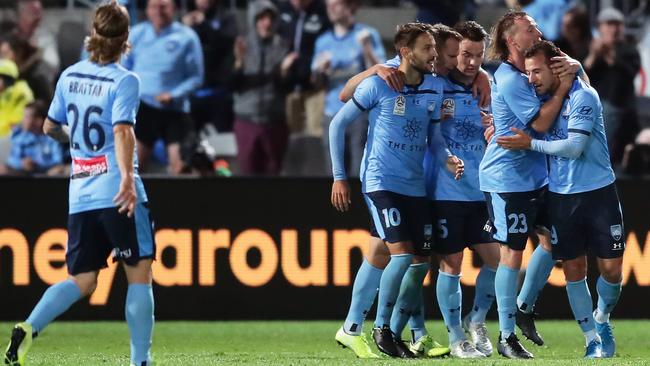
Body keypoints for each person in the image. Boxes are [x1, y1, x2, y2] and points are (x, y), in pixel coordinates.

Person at [3, 3, 155, 366]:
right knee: (140, 275)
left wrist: (78, 143)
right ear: (125, 39)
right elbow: (122, 131)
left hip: (81, 193)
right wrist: (128, 182)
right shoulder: (125, 80)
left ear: (93, 33)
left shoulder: (69, 76)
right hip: (116, 190)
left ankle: (28, 327)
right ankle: (140, 360)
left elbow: (50, 127)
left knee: (83, 279)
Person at [330, 22, 463, 359]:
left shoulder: (435, 88)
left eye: (435, 48)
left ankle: (353, 329)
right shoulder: (382, 81)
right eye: (427, 49)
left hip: (414, 186)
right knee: (402, 256)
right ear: (406, 52)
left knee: (405, 261)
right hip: (380, 180)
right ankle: (383, 329)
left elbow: (433, 138)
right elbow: (337, 122)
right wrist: (339, 176)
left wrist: (447, 158)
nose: (434, 55)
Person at [497, 40, 625, 359]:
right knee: (573, 269)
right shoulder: (542, 103)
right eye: (527, 73)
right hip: (561, 197)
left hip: (598, 194)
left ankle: (602, 317)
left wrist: (531, 145)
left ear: (556, 68)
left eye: (537, 71)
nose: (531, 79)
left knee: (611, 270)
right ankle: (592, 338)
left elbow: (574, 147)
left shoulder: (584, 96)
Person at [480, 10, 584, 358]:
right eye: (530, 28)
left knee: (553, 242)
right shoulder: (510, 78)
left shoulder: (530, 70)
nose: (538, 31)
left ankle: (523, 308)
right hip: (506, 179)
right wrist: (566, 84)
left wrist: (574, 70)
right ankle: (506, 336)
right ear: (512, 40)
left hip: (536, 177)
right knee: (512, 254)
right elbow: (539, 123)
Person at [429, 20, 499, 358]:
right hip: (448, 192)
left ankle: (477, 320)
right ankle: (456, 337)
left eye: (478, 56)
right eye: (465, 55)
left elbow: (507, 128)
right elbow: (432, 136)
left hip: (482, 191)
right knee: (451, 263)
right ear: (454, 53)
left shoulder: (489, 85)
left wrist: (496, 127)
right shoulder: (437, 85)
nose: (471, 63)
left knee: (499, 261)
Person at [122, 0, 204, 174]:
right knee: (132, 169)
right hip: (143, 108)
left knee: (181, 168)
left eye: (163, 6)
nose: (159, 11)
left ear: (173, 8)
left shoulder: (187, 37)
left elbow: (196, 77)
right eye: (154, 6)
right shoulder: (136, 34)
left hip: (175, 109)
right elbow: (123, 69)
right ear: (148, 10)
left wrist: (174, 95)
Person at [313, 0, 385, 177]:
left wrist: (367, 48)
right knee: (334, 174)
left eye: (336, 4)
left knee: (360, 172)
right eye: (328, 4)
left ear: (350, 7)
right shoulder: (323, 41)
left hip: (360, 113)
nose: (330, 8)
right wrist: (320, 70)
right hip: (332, 113)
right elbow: (314, 83)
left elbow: (383, 74)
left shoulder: (367, 35)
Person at [229, 0, 292, 175]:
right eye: (262, 18)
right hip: (247, 120)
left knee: (273, 175)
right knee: (248, 173)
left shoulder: (283, 46)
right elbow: (231, 85)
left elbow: (288, 87)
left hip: (274, 121)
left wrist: (285, 72)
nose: (267, 23)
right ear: (254, 20)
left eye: (270, 18)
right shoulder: (242, 45)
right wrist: (239, 63)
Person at [584, 7, 640, 165]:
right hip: (596, 107)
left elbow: (629, 73)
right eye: (609, 24)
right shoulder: (593, 48)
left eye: (617, 24)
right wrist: (594, 56)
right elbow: (582, 76)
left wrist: (611, 56)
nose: (613, 29)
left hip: (621, 106)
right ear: (600, 27)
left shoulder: (629, 48)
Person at [182, 0, 238, 132]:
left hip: (219, 91)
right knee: (190, 139)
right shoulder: (186, 20)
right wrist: (182, 28)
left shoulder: (226, 17)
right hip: (193, 93)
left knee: (223, 140)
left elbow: (227, 43)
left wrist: (205, 24)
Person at [0, 100, 64, 175]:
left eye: (27, 117)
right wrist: (22, 163)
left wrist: (37, 164)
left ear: (38, 121)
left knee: (59, 170)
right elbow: (11, 159)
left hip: (46, 173)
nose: (23, 120)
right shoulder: (21, 137)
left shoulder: (52, 139)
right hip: (22, 173)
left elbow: (58, 160)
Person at [0, 58, 34, 137]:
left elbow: (17, 121)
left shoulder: (21, 92)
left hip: (15, 138)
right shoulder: (3, 94)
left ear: (6, 79)